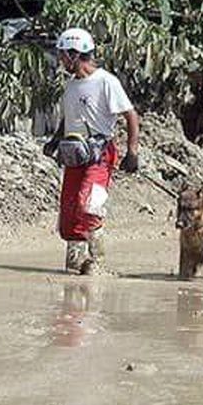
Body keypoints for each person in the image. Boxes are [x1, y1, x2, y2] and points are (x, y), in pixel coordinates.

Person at [43, 28, 140, 275]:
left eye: (64, 55)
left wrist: (132, 152)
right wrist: (55, 140)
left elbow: (130, 116)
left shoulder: (106, 82)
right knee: (69, 210)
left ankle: (97, 263)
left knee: (89, 205)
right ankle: (76, 262)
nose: (61, 60)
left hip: (99, 155)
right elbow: (70, 119)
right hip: (74, 154)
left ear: (76, 54)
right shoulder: (71, 86)